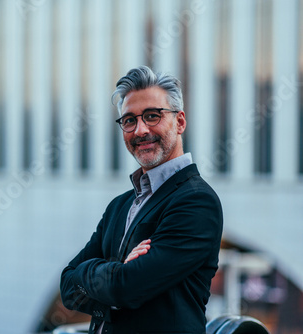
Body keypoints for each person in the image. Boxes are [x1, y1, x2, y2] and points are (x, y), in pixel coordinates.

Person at [60, 66, 223, 334]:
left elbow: (127, 287)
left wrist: (96, 273)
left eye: (152, 116)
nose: (139, 130)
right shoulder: (119, 206)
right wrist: (114, 271)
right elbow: (68, 286)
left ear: (179, 122)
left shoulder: (196, 201)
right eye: (129, 120)